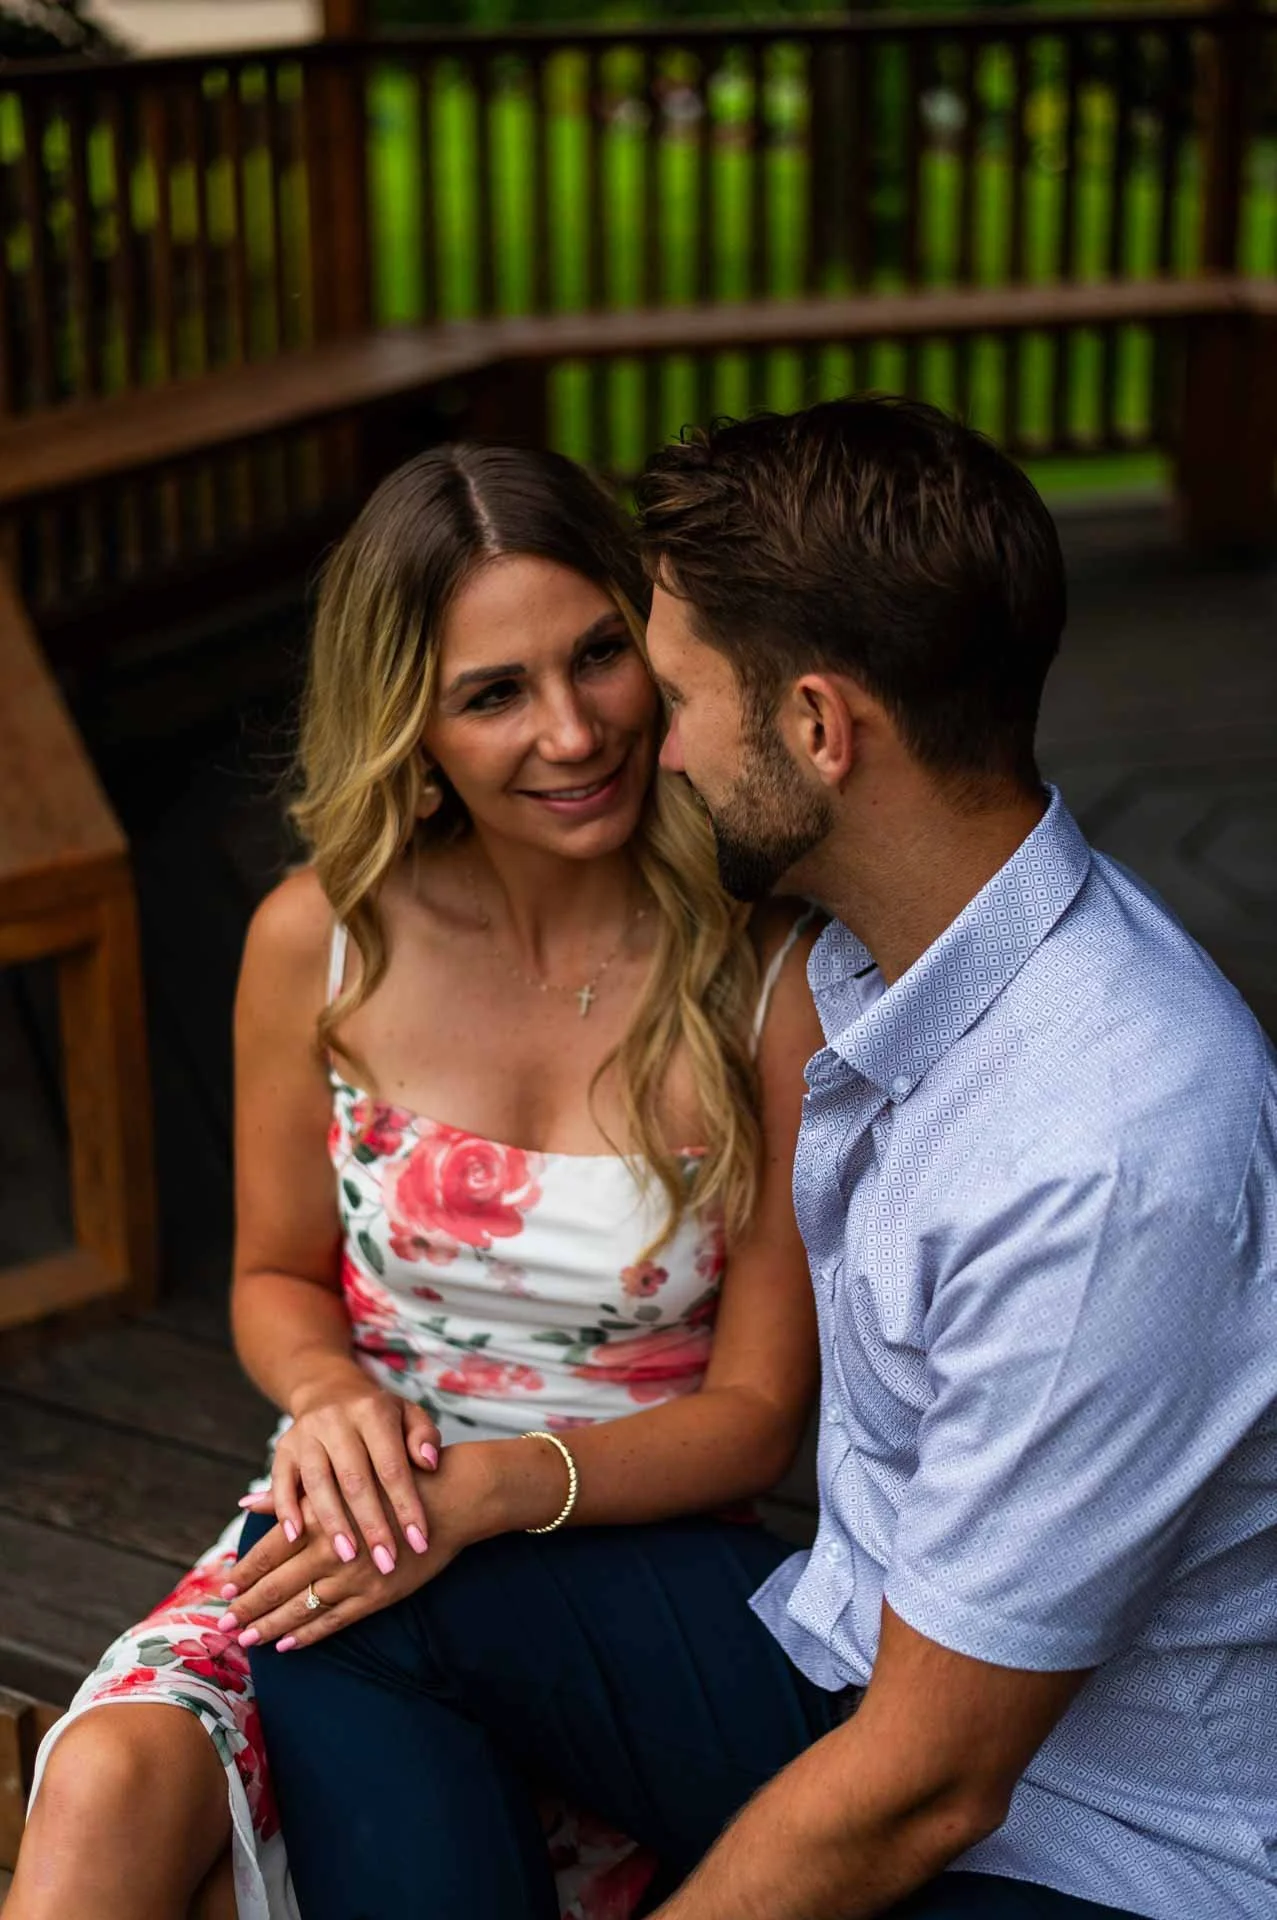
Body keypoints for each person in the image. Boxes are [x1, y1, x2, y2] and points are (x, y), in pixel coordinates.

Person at [239, 398, 1276, 1920]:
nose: (631, 744)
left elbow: (931, 1788)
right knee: (347, 1592)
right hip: (847, 1660)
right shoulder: (876, 958)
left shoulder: (1109, 1151)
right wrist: (458, 1489)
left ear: (815, 728)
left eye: (670, 690)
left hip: (1076, 1853)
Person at [8, 442, 832, 1920]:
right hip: (356, 1510)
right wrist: (330, 1398)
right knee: (100, 1787)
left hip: (609, 1556)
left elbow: (760, 1422)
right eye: (494, 692)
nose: (574, 732)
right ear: (415, 724)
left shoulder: (765, 972)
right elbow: (273, 1279)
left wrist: (495, 1494)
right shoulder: (315, 940)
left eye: (599, 657)